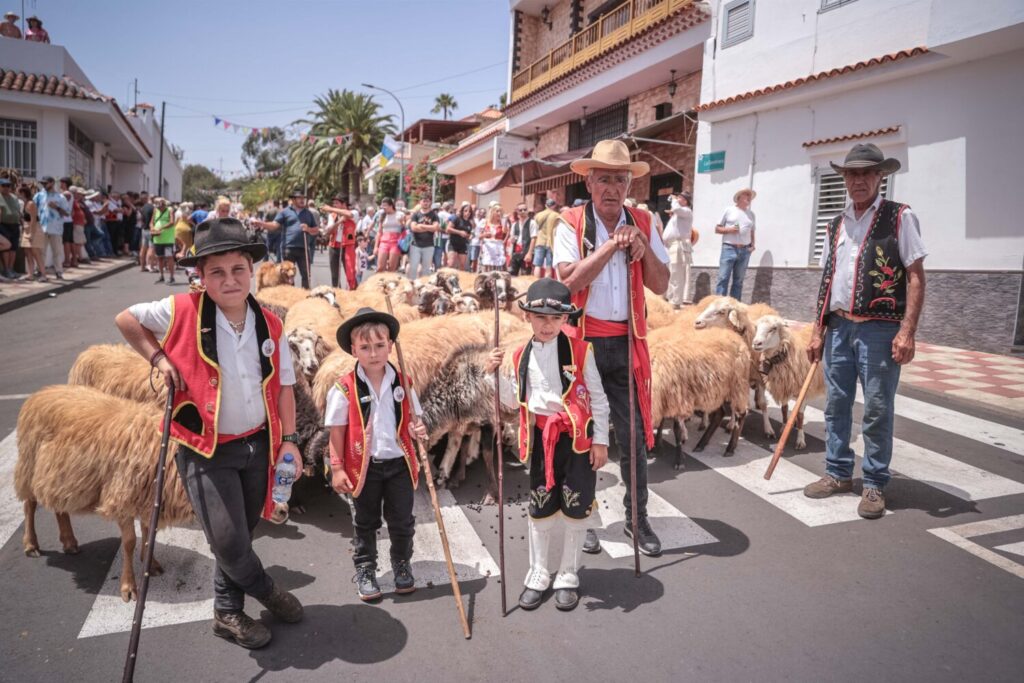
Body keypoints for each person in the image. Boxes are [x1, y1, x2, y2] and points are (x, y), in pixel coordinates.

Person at [115, 217, 304, 649]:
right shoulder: (180, 310)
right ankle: (267, 591)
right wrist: (159, 359)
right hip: (205, 448)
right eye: (217, 272)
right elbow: (126, 319)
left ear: (251, 271)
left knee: (240, 534)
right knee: (229, 539)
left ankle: (226, 613)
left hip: (258, 444)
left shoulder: (270, 324)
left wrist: (290, 441)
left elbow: (284, 388)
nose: (229, 280)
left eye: (238, 269)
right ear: (200, 276)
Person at [553, 139, 670, 557]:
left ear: (629, 185)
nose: (612, 189)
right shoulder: (569, 222)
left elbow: (661, 283)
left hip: (625, 342)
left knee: (633, 435)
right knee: (583, 434)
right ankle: (581, 514)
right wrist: (612, 245)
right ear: (588, 182)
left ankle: (637, 519)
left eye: (620, 180)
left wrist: (640, 245)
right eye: (604, 179)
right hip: (582, 344)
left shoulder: (644, 221)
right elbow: (568, 283)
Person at [804, 143, 927, 520]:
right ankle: (838, 473)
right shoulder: (835, 224)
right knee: (836, 404)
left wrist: (907, 331)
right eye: (852, 174)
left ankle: (874, 482)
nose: (858, 180)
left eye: (866, 173)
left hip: (880, 329)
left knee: (876, 407)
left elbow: (916, 276)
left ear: (880, 177)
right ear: (844, 179)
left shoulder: (899, 216)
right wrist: (817, 330)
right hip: (839, 327)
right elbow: (828, 280)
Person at [485, 279, 609, 611]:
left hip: (577, 441)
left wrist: (600, 441)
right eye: (540, 317)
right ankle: (538, 572)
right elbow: (513, 401)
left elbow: (598, 398)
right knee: (540, 507)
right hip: (542, 440)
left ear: (566, 319)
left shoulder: (581, 351)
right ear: (528, 316)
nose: (547, 325)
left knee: (576, 507)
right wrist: (493, 375)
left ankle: (568, 573)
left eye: (555, 318)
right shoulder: (519, 356)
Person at [326, 307, 429, 601]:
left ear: (391, 346)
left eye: (380, 345)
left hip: (399, 464)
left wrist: (418, 430)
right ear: (353, 350)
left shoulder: (404, 383)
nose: (374, 353)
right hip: (365, 467)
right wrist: (337, 468)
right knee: (365, 521)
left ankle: (401, 563)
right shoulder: (344, 388)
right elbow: (336, 433)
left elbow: (414, 421)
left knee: (402, 520)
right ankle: (366, 568)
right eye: (365, 347)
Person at [254, 190, 318, 288]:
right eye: (299, 198)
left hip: (303, 248)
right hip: (288, 248)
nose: (302, 200)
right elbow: (274, 225)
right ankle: (290, 295)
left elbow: (316, 230)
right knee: (287, 275)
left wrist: (308, 229)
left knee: (306, 275)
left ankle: (305, 295)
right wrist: (261, 224)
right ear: (293, 200)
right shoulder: (285, 212)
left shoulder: (308, 213)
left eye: (303, 198)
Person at [714, 188, 756, 301]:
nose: (749, 197)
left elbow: (752, 231)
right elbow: (717, 229)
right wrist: (730, 230)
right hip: (729, 248)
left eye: (750, 196)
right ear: (739, 197)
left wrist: (752, 245)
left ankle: (734, 306)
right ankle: (719, 306)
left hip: (745, 250)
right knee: (723, 278)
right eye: (746, 195)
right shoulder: (729, 210)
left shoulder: (751, 214)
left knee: (738, 281)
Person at [34, 176, 69, 280]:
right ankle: (40, 271)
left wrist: (56, 207)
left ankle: (58, 271)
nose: (44, 185)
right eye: (42, 183)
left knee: (57, 251)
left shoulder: (60, 197)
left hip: (56, 228)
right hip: (41, 227)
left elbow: (67, 213)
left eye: (46, 183)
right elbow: (32, 209)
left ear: (52, 183)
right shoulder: (38, 196)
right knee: (41, 251)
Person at [662, 192, 694, 307]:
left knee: (677, 273)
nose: (677, 199)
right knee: (671, 273)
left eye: (680, 198)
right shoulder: (678, 213)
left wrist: (674, 200)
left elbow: (676, 208)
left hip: (679, 245)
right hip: (671, 245)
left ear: (685, 201)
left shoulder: (686, 211)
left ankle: (675, 301)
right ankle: (671, 298)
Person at [321, 194, 358, 289]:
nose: (334, 205)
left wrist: (330, 209)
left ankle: (354, 291)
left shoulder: (354, 212)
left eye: (336, 203)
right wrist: (339, 222)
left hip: (348, 246)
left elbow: (349, 214)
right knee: (335, 275)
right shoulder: (332, 215)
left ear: (344, 204)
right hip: (334, 246)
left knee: (350, 272)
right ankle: (337, 292)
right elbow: (328, 231)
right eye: (333, 203)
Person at [18, 184, 45, 281]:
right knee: (28, 253)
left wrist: (31, 234)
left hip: (33, 230)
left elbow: (33, 219)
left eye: (18, 192)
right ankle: (30, 274)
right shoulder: (24, 203)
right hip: (26, 229)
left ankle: (43, 275)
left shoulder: (30, 203)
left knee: (36, 253)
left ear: (23, 193)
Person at [526, 198, 559, 278]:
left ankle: (535, 281)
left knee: (537, 265)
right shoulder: (556, 215)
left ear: (545, 205)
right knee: (548, 266)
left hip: (539, 242)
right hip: (551, 243)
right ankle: (547, 284)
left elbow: (535, 229)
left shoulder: (538, 215)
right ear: (554, 206)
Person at [407, 196, 437, 280]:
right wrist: (429, 228)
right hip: (415, 245)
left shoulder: (434, 215)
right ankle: (411, 284)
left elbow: (435, 228)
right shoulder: (416, 214)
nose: (425, 203)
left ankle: (424, 285)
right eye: (424, 201)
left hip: (429, 245)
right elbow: (413, 228)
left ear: (430, 203)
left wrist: (421, 225)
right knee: (413, 267)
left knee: (426, 269)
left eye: (427, 201)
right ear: (420, 202)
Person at [149, 197, 176, 284]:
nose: (159, 208)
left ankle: (171, 277)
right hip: (158, 239)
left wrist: (161, 228)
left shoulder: (170, 210)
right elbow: (151, 222)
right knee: (159, 257)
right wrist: (152, 228)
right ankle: (161, 276)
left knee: (169, 257)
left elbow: (172, 222)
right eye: (157, 206)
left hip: (168, 239)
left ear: (164, 204)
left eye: (160, 206)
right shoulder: (155, 210)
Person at [0, 178, 22, 279]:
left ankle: (11, 268)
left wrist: (21, 221)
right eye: (3, 186)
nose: (6, 188)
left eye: (8, 186)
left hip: (15, 224)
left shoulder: (14, 197)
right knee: (7, 248)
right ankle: (6, 270)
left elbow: (18, 211)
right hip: (4, 225)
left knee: (14, 248)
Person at [506, 203, 536, 276]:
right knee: (512, 275)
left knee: (525, 275)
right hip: (516, 252)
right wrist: (510, 254)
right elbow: (512, 239)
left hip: (526, 252)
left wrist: (529, 253)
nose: (523, 211)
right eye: (520, 210)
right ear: (517, 211)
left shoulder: (532, 223)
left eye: (525, 209)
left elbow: (534, 238)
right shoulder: (515, 224)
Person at [479, 204, 507, 273]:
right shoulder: (485, 222)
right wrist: (485, 235)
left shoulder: (502, 223)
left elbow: (505, 232)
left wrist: (505, 221)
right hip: (488, 248)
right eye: (497, 211)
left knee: (498, 269)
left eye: (500, 211)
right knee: (487, 268)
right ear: (492, 212)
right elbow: (479, 236)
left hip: (498, 248)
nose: (499, 213)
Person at [445, 202, 473, 270]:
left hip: (462, 245)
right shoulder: (456, 219)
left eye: (469, 211)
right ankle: (447, 275)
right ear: (462, 211)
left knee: (462, 265)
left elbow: (468, 234)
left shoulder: (469, 223)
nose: (468, 213)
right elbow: (448, 229)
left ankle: (460, 276)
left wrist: (469, 236)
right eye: (466, 211)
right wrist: (459, 232)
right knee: (451, 263)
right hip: (453, 243)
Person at [433, 201, 451, 272]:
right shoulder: (450, 215)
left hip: (438, 237)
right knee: (446, 253)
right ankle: (445, 268)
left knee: (438, 254)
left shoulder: (439, 214)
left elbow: (437, 226)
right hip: (447, 237)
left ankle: (437, 268)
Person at [469, 206, 485, 272]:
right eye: (477, 213)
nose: (478, 214)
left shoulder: (484, 221)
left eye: (480, 213)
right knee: (472, 258)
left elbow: (483, 230)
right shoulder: (473, 220)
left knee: (477, 259)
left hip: (480, 243)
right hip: (472, 241)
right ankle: (471, 270)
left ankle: (475, 271)